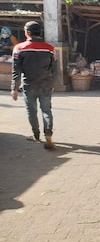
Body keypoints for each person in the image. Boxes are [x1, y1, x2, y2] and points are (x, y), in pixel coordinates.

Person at [11, 21, 57, 150]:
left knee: (32, 111)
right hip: (45, 84)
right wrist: (53, 83)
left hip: (29, 85)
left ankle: (36, 136)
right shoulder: (50, 48)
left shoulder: (19, 48)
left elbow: (16, 70)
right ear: (40, 32)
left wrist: (14, 88)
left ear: (27, 33)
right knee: (46, 110)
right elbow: (54, 69)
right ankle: (48, 134)